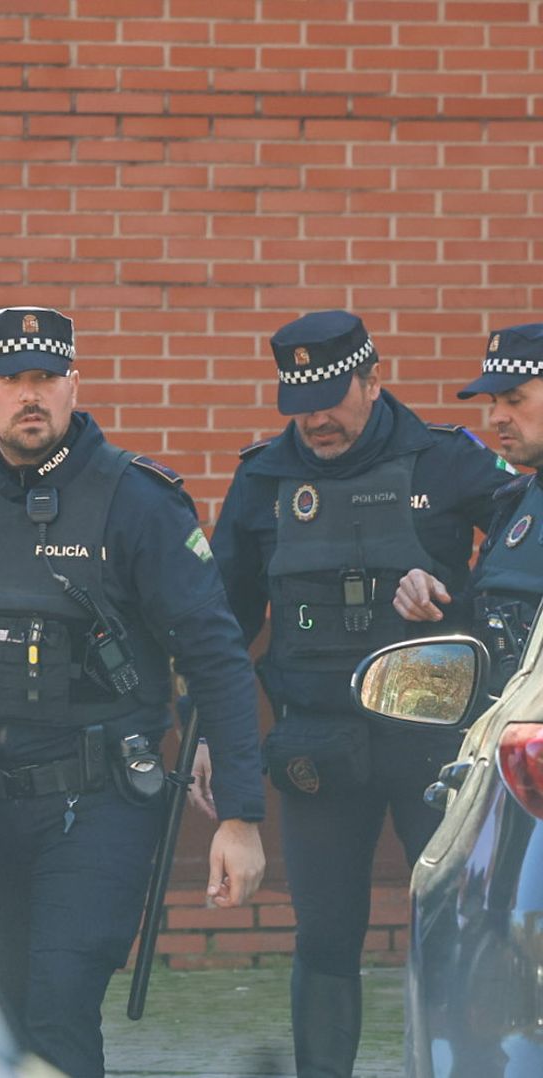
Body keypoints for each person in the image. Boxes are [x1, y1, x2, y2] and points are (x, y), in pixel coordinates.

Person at [0, 306, 266, 1078]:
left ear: (75, 384)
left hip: (100, 803)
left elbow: (217, 657)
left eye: (46, 377)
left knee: (59, 1007)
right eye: (10, 379)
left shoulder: (137, 498)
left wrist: (240, 815)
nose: (29, 394)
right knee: (1, 1016)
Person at [211, 310, 511, 1078]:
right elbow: (220, 625)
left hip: (435, 744)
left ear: (373, 381)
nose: (315, 419)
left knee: (457, 933)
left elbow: (522, 562)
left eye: (330, 399)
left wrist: (456, 605)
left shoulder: (447, 461)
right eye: (299, 404)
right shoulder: (263, 478)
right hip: (317, 746)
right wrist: (207, 730)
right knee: (324, 940)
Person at [394, 323, 543, 693]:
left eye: (514, 400)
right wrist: (430, 603)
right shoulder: (515, 504)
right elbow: (478, 631)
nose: (496, 417)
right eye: (494, 402)